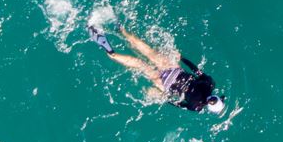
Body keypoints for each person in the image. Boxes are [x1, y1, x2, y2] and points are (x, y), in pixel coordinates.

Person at [88, 23, 226, 114]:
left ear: (217, 97)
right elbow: (178, 104)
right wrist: (163, 97)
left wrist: (182, 57)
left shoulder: (210, 83)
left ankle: (121, 29)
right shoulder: (196, 107)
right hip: (166, 85)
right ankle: (112, 53)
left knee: (148, 51)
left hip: (175, 71)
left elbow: (195, 69)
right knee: (140, 64)